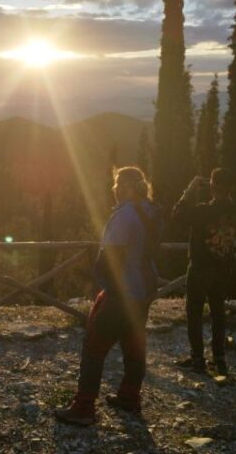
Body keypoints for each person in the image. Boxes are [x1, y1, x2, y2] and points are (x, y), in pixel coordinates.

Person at [55, 166, 162, 426]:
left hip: (123, 292)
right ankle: (129, 397)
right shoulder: (151, 211)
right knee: (134, 343)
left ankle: (83, 408)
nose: (113, 190)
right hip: (145, 288)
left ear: (124, 188)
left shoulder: (124, 216)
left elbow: (109, 259)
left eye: (115, 185)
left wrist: (106, 286)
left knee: (94, 346)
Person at [172, 167, 236, 376]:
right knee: (218, 312)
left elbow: (177, 215)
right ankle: (219, 359)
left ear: (211, 186)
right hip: (223, 268)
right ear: (230, 188)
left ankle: (198, 360)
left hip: (200, 267)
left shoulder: (202, 211)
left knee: (194, 313)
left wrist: (190, 189)